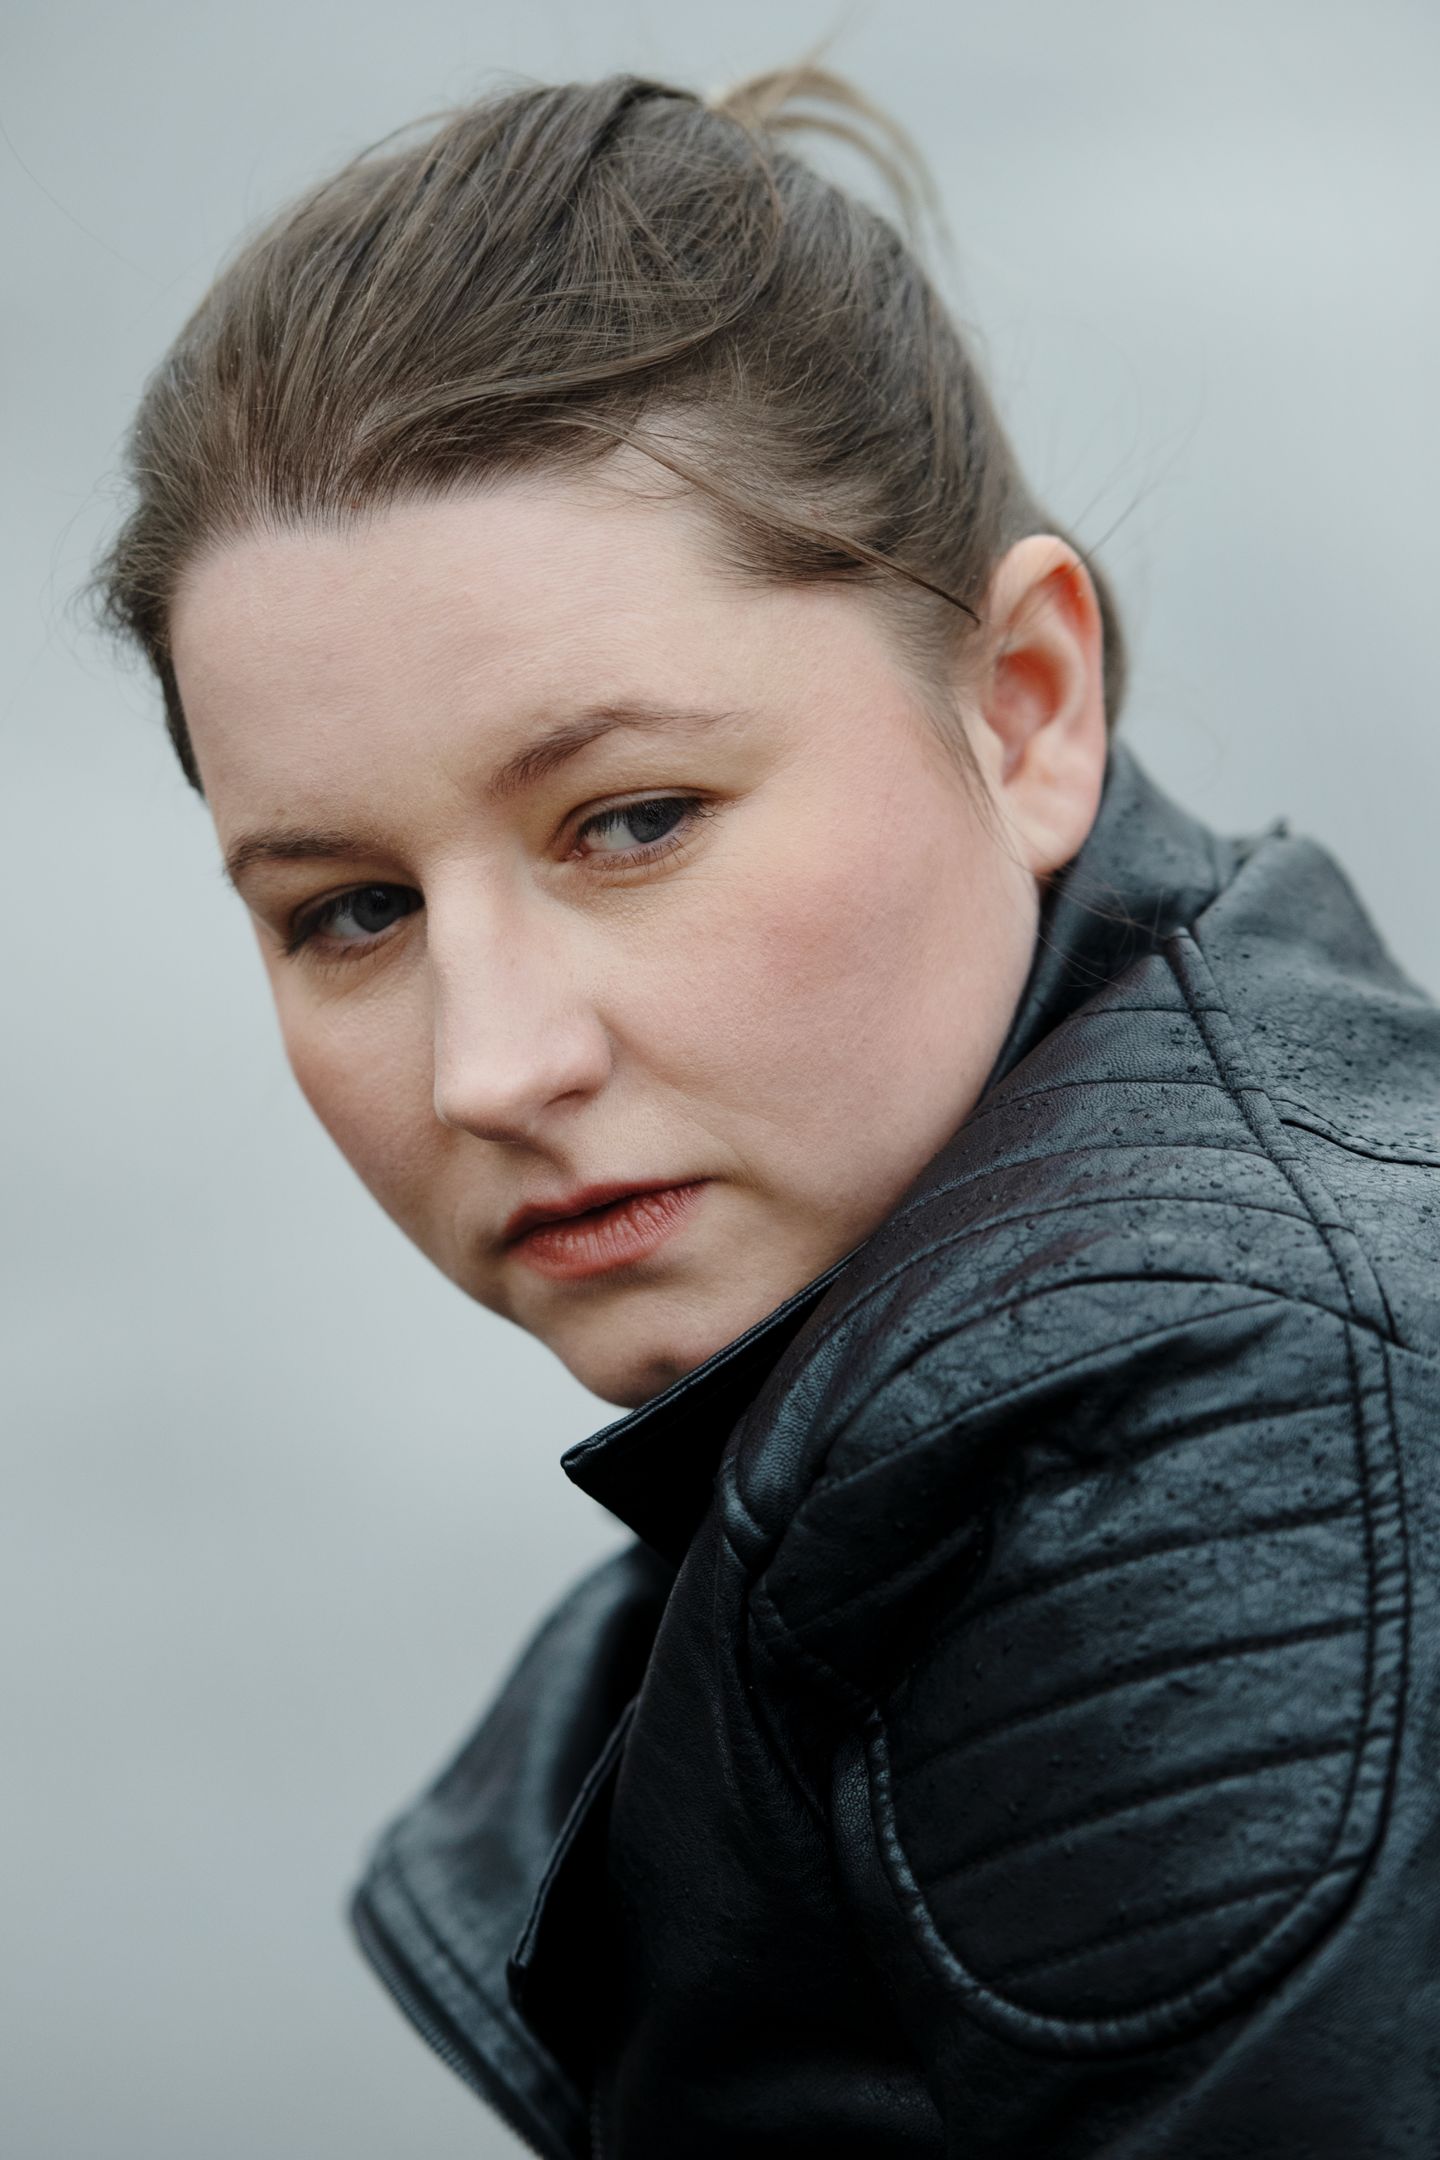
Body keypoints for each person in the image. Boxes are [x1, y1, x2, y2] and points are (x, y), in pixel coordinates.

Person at [92, 63, 1440, 2160]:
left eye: (632, 819)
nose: (491, 1066)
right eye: (351, 910)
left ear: (1025, 711)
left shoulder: (1190, 1419)